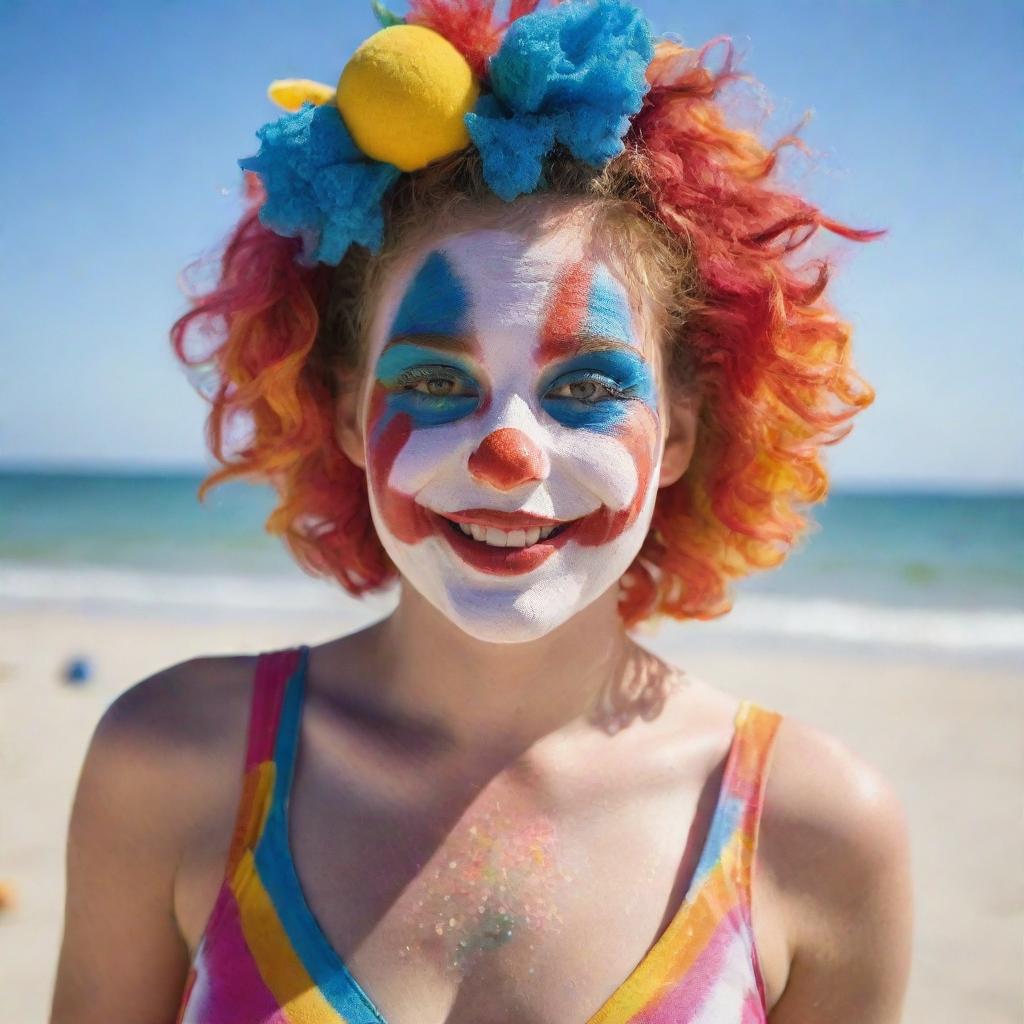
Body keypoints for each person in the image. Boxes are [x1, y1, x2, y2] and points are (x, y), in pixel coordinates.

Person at [51, 1, 913, 1021]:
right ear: (338, 409)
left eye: (587, 389)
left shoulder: (821, 833)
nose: (508, 458)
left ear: (680, 432)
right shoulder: (167, 762)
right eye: (432, 381)